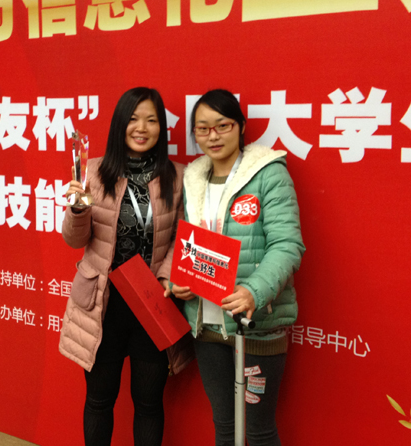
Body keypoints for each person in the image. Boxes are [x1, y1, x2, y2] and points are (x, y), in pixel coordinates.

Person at [168, 89, 305, 445]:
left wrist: (253, 292)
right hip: (206, 324)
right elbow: (186, 243)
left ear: (241, 126)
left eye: (222, 125)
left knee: (258, 430)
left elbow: (287, 244)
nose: (212, 136)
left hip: (254, 324)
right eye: (202, 129)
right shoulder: (193, 178)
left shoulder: (268, 174)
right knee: (225, 426)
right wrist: (179, 281)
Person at [59, 87, 191, 446]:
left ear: (161, 127)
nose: (142, 128)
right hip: (102, 304)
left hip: (152, 303)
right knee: (99, 400)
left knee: (148, 403)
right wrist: (77, 209)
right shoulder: (94, 171)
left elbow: (182, 238)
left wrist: (165, 278)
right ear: (120, 123)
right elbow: (75, 240)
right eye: (133, 119)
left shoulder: (179, 177)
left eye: (151, 120)